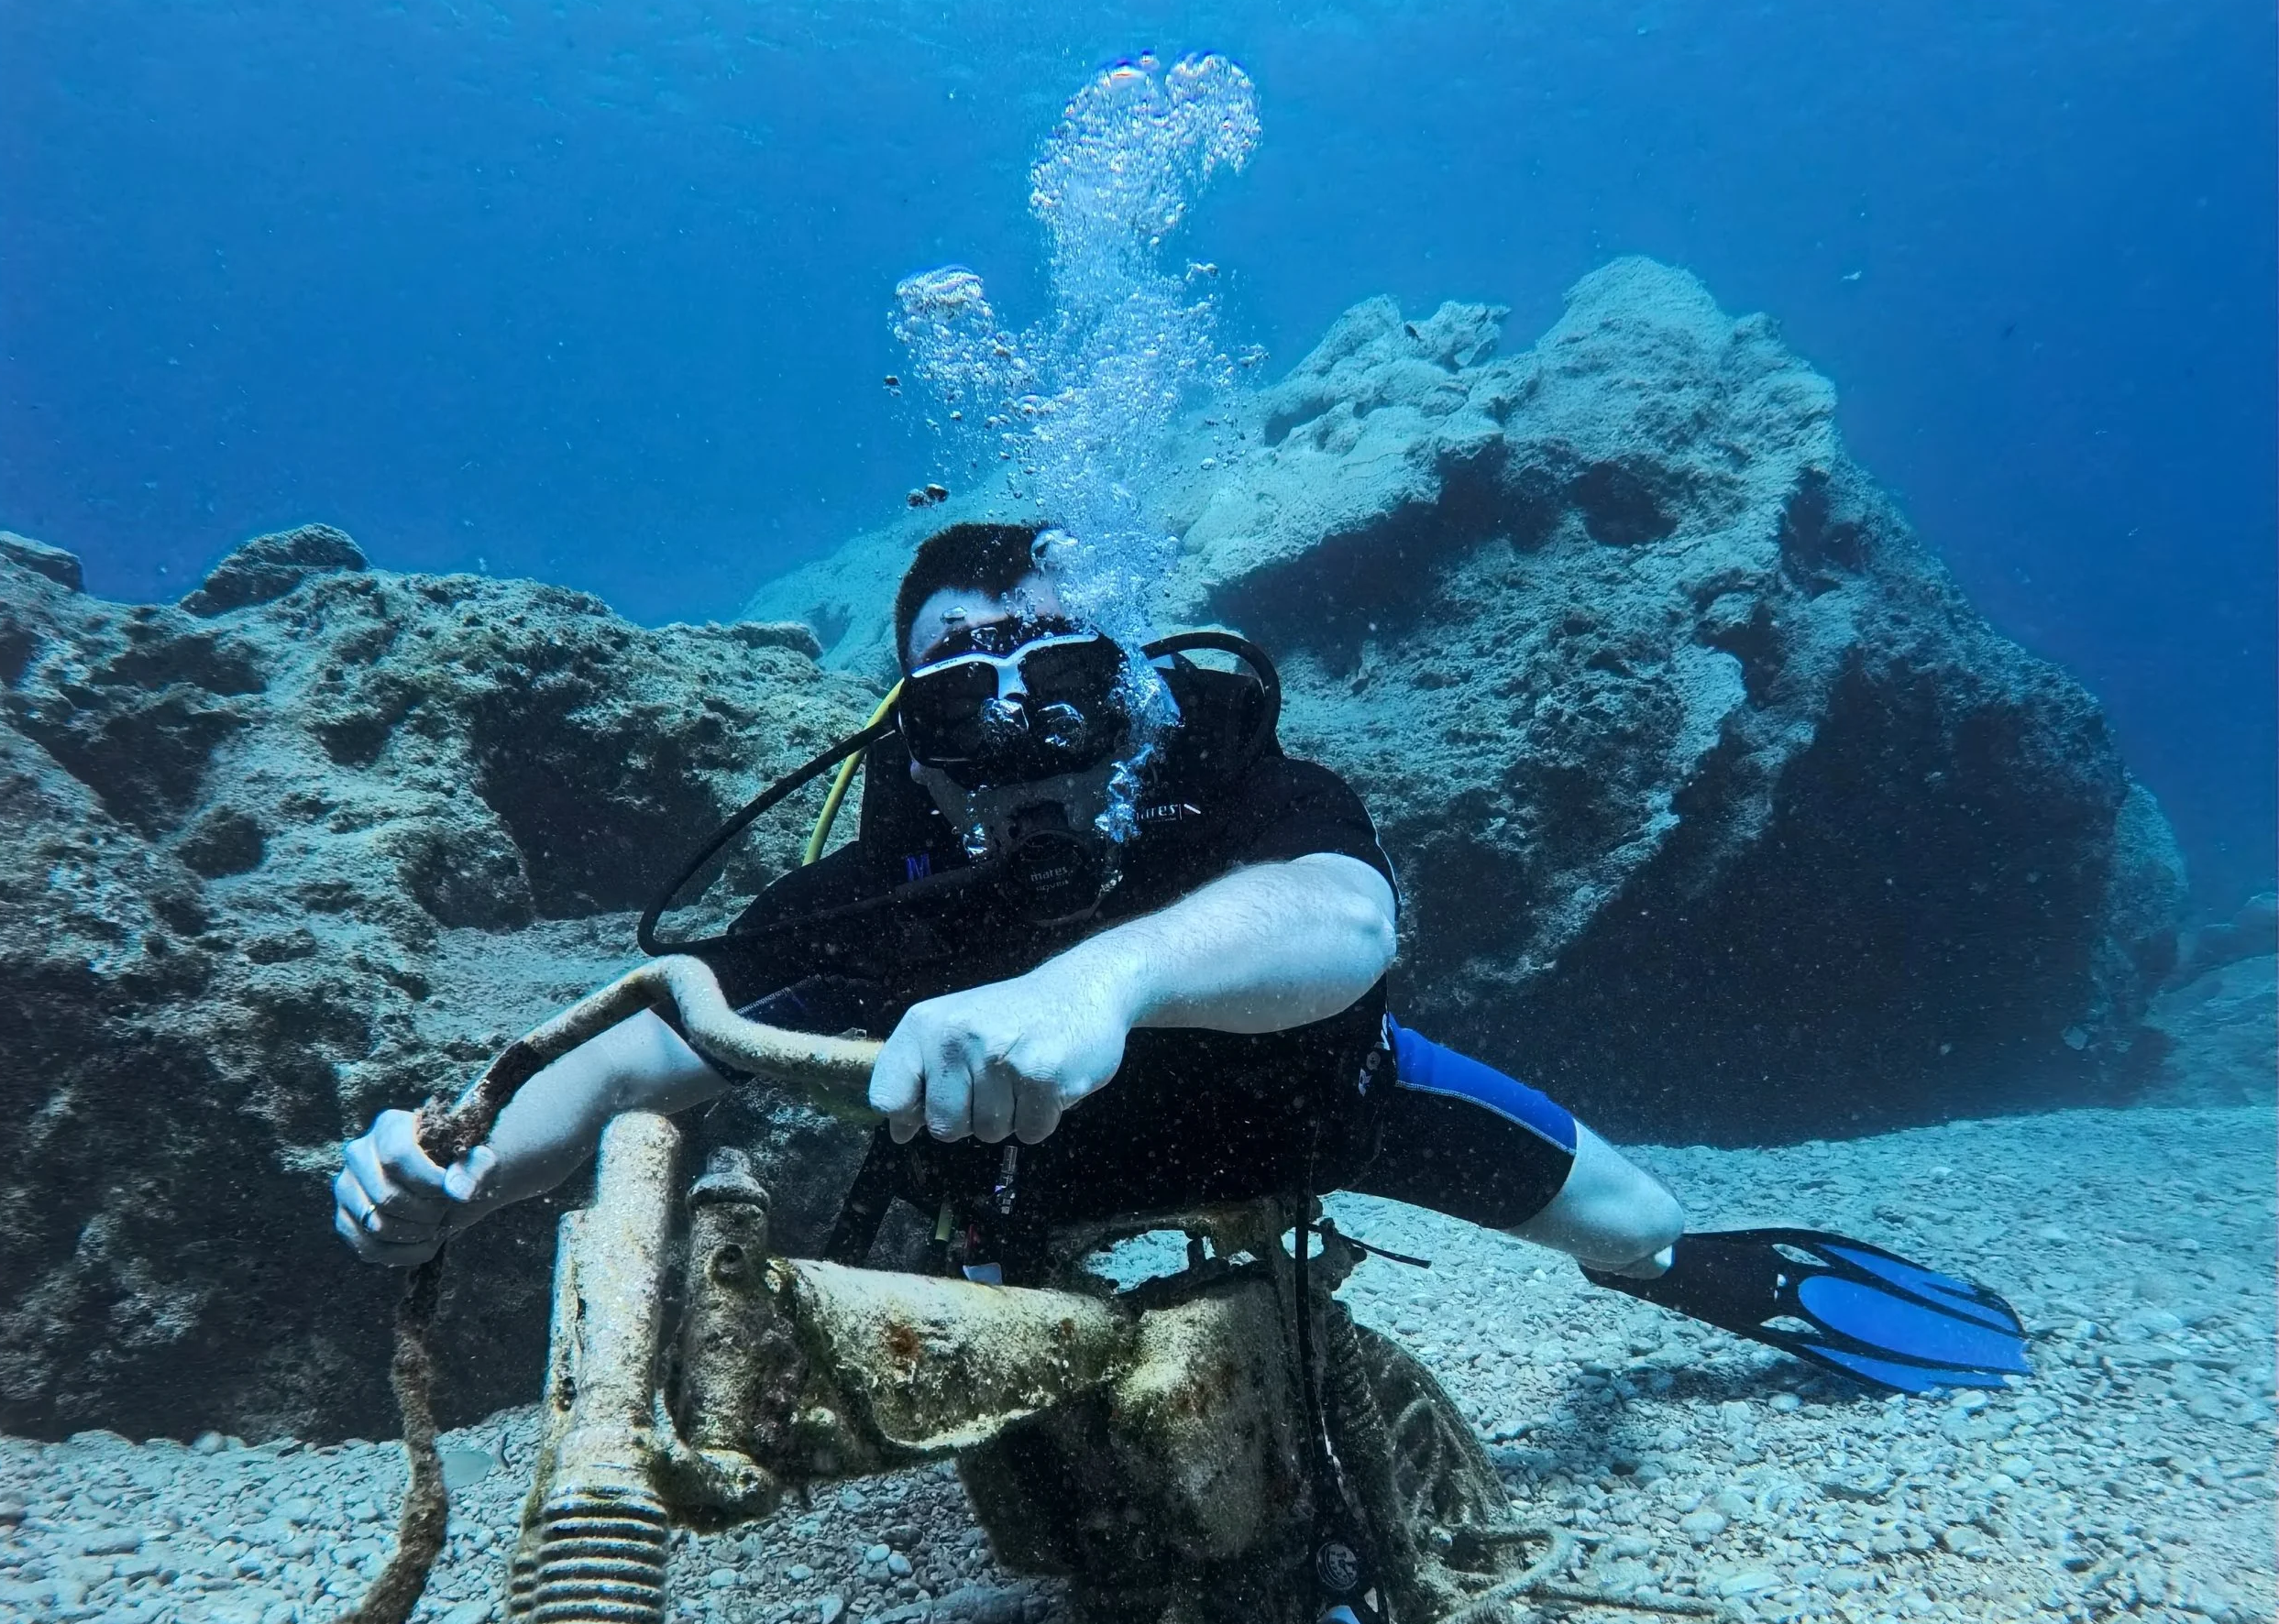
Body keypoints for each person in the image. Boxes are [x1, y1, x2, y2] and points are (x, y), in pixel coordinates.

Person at [335, 520, 2027, 1410]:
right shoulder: (873, 899)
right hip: (1012, 1219)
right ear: (910, 737)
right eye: (961, 694)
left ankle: (1716, 1280)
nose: (1020, 729)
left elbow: (1348, 924)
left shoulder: (1236, 789)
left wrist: (1100, 983)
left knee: (1640, 1232)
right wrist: (468, 1174)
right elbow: (652, 1043)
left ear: (1133, 687)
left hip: (1319, 1113)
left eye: (1063, 676)